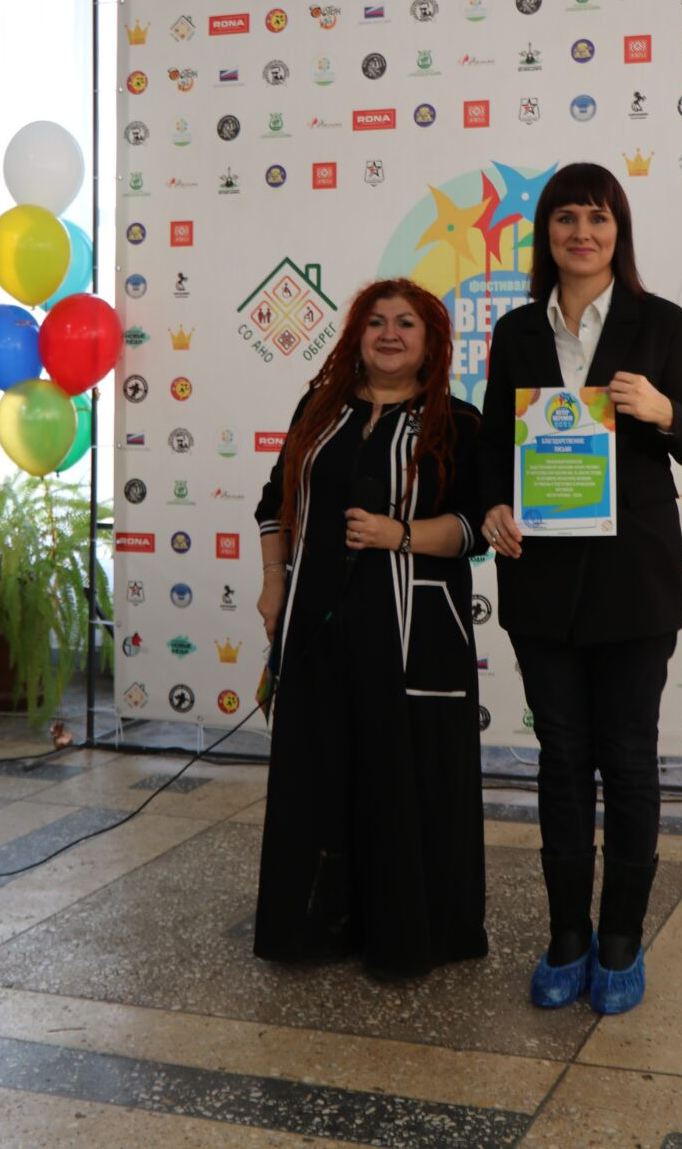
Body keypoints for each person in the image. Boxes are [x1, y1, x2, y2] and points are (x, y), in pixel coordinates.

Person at [478, 162, 682, 1014]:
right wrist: (492, 506)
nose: (582, 233)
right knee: (562, 760)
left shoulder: (663, 323)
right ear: (544, 234)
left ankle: (620, 937)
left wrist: (661, 409)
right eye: (566, 218)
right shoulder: (515, 330)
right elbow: (491, 448)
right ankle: (567, 937)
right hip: (541, 581)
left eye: (598, 217)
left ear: (620, 231)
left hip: (633, 582)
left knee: (628, 757)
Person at [253, 278, 488, 977]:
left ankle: (405, 936)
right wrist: (274, 583)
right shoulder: (318, 410)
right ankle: (314, 928)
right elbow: (275, 501)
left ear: (432, 341)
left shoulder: (458, 422)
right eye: (376, 322)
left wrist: (400, 534)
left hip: (412, 632)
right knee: (317, 769)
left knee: (401, 776)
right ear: (356, 336)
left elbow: (475, 528)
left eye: (406, 323)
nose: (390, 334)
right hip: (315, 623)